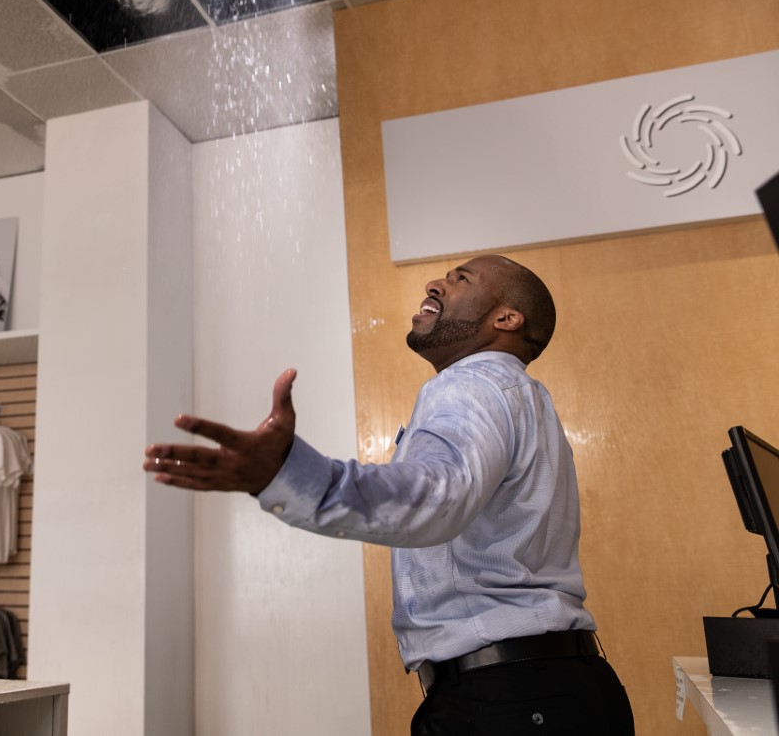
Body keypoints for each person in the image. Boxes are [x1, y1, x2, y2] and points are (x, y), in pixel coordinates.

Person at [143, 255, 634, 735]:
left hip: (513, 700)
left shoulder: (472, 383)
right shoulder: (520, 395)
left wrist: (288, 474)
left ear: (506, 318)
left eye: (460, 279)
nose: (435, 285)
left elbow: (440, 496)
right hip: (550, 691)